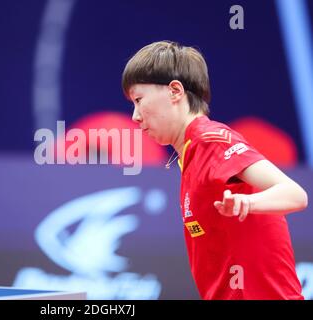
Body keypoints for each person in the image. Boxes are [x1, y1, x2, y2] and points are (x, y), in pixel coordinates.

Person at [122, 41, 309, 300]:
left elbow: (295, 194)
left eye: (139, 100)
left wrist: (247, 201)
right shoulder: (190, 154)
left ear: (175, 91)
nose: (135, 116)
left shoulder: (210, 139)